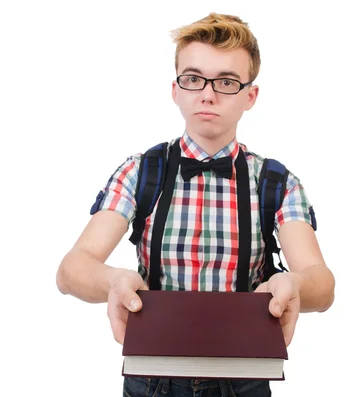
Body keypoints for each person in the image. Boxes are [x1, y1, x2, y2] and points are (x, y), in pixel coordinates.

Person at [56, 12, 335, 397]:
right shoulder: (141, 172)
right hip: (151, 382)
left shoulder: (277, 181)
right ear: (176, 90)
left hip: (245, 382)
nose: (207, 94)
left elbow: (322, 283)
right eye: (193, 79)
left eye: (225, 81)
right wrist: (112, 281)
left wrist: (295, 283)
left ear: (250, 95)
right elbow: (71, 269)